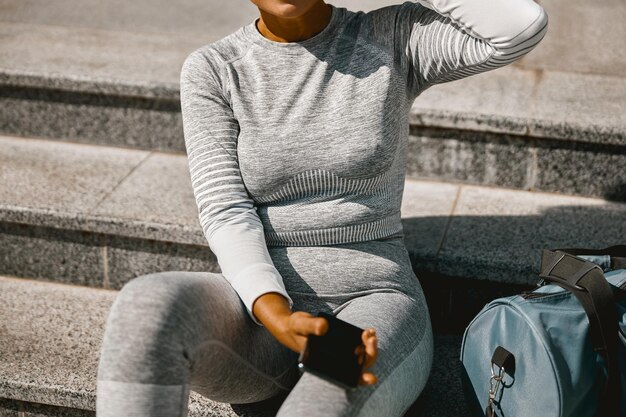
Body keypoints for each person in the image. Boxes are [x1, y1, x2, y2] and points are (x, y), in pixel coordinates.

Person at [95, 0, 548, 415]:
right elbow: (225, 209)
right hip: (260, 317)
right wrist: (277, 315)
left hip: (372, 302)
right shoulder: (215, 68)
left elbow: (519, 27)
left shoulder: (390, 36)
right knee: (145, 308)